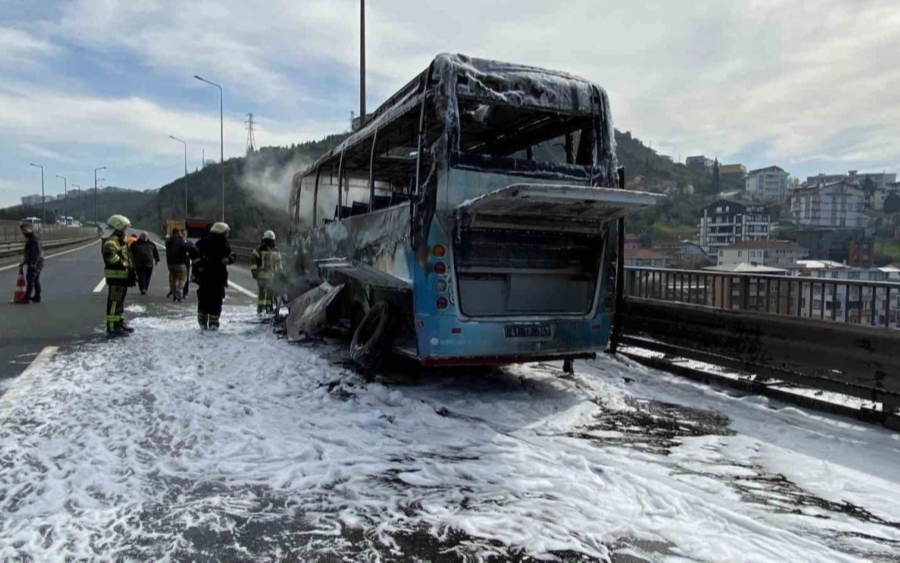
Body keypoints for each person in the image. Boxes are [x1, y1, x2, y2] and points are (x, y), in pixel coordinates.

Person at [190, 222, 235, 330]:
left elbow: (232, 254)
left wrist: (229, 259)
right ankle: (202, 322)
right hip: (205, 277)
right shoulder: (204, 242)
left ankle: (214, 323)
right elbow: (193, 252)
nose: (227, 235)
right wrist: (200, 265)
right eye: (226, 233)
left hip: (218, 278)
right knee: (204, 301)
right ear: (221, 233)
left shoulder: (225, 244)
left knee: (216, 301)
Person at [102, 214, 136, 337]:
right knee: (114, 303)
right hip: (116, 277)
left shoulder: (120, 240)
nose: (125, 230)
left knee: (119, 303)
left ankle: (119, 324)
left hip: (121, 277)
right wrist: (123, 264)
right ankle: (112, 328)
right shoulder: (112, 241)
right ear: (118, 226)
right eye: (124, 228)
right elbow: (109, 255)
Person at [250, 230, 283, 314]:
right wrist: (254, 271)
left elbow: (279, 263)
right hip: (264, 276)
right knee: (265, 293)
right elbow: (254, 261)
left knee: (269, 294)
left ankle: (266, 308)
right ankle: (263, 309)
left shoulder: (259, 249)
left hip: (268, 276)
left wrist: (254, 271)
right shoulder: (261, 250)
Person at [18, 222, 44, 303]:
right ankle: (37, 297)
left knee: (30, 279)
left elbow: (36, 252)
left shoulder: (34, 239)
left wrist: (33, 263)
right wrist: (25, 262)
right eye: (22, 231)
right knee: (35, 280)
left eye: (25, 230)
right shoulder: (31, 239)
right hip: (37, 262)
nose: (24, 232)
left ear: (30, 229)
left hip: (35, 263)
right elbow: (29, 253)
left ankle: (26, 298)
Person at [165, 228, 190, 302]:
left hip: (170, 263)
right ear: (178, 233)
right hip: (180, 263)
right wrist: (182, 239)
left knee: (173, 278)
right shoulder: (180, 241)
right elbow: (186, 248)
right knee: (182, 278)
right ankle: (179, 290)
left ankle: (173, 292)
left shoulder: (168, 241)